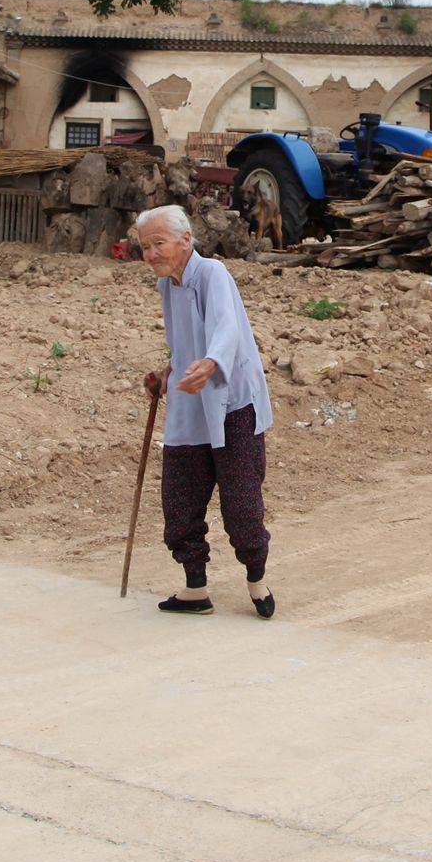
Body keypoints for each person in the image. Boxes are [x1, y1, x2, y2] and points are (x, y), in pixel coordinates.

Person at [132, 204, 274, 618]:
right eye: (145, 247)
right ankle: (195, 587)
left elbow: (227, 327)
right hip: (189, 398)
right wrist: (168, 372)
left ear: (185, 240)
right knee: (180, 494)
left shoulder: (213, 273)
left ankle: (257, 582)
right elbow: (181, 343)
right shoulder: (168, 287)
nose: (152, 254)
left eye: (158, 243)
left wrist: (211, 363)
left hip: (232, 399)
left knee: (241, 497)